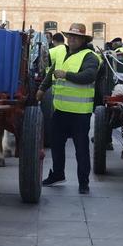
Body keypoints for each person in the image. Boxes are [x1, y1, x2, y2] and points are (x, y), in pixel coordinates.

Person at [37, 23, 99, 194]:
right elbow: (51, 74)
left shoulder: (90, 57)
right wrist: (42, 89)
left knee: (81, 148)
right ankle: (57, 174)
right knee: (56, 144)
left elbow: (89, 76)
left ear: (82, 39)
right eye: (69, 36)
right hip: (61, 110)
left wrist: (67, 75)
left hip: (80, 113)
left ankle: (83, 183)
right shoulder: (62, 53)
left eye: (75, 36)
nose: (71, 39)